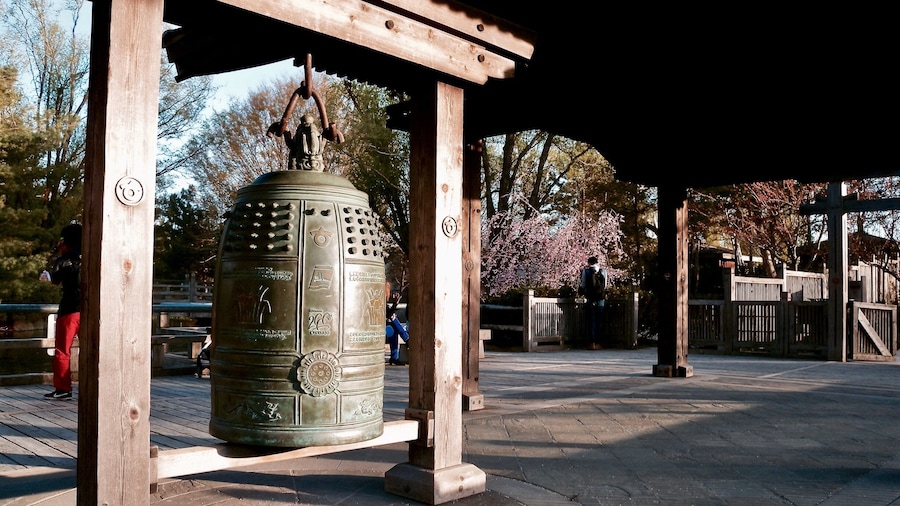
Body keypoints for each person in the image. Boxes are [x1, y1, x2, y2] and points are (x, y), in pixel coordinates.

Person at [45, 223, 82, 400]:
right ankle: (100, 384)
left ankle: (63, 389)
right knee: (96, 349)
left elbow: (55, 281)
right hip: (91, 311)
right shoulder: (91, 257)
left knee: (62, 350)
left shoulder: (63, 260)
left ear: (65, 242)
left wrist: (60, 256)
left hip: (69, 310)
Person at [579, 256, 606, 349]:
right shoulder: (603, 271)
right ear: (597, 262)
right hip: (600, 299)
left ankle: (592, 343)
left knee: (591, 321)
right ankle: (599, 343)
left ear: (589, 263)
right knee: (600, 321)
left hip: (590, 299)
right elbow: (605, 286)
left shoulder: (586, 272)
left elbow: (583, 285)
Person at [385, 289, 409, 366]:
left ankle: (394, 357)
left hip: (386, 328)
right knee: (393, 323)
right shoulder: (379, 303)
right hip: (380, 329)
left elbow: (389, 314)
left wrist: (395, 303)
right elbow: (388, 315)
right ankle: (407, 339)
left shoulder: (384, 304)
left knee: (393, 327)